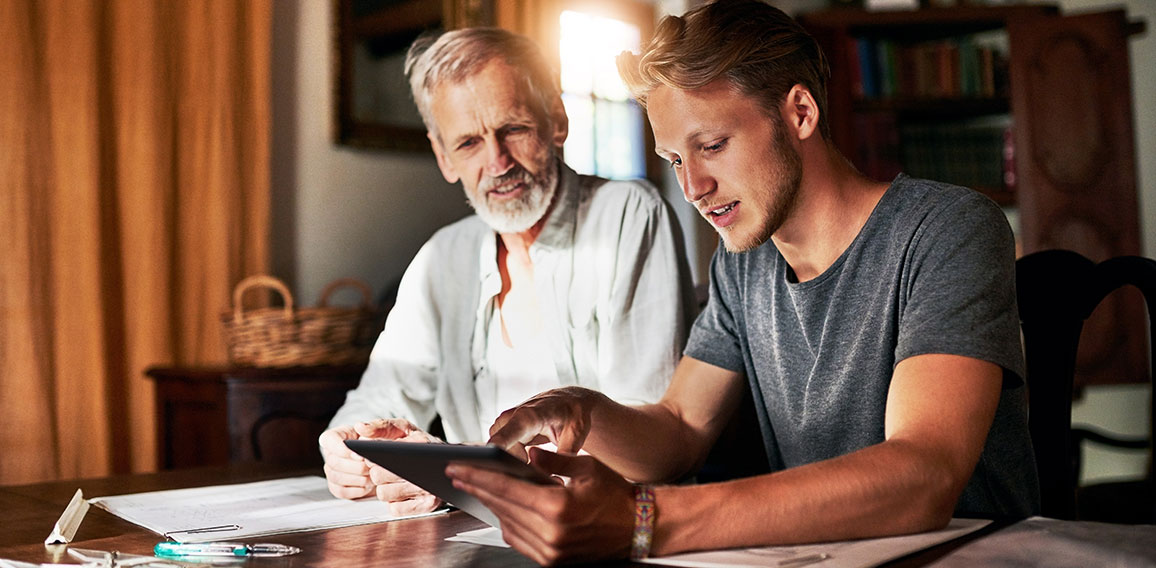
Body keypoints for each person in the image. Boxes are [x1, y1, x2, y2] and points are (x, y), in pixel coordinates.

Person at [445, 1, 1041, 565]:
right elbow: (678, 429)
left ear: (800, 113)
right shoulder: (742, 264)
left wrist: (644, 517)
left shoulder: (948, 229)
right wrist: (580, 409)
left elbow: (923, 475)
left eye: (712, 146)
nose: (693, 187)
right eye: (676, 159)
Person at [318, 27, 696, 516]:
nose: (497, 162)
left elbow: (648, 450)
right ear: (443, 157)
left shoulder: (628, 215)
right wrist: (348, 450)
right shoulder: (441, 258)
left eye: (513, 129)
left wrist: (460, 473)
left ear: (556, 120)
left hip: (616, 530)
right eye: (469, 142)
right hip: (482, 536)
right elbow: (377, 399)